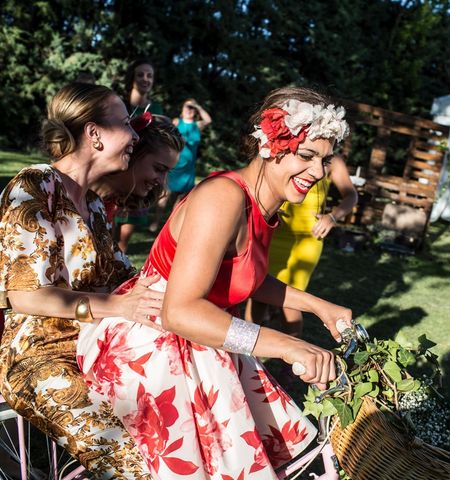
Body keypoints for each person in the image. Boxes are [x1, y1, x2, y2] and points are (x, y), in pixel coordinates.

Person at [77, 87, 353, 479]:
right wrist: (290, 345)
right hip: (153, 338)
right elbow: (180, 310)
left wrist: (319, 306)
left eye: (325, 161)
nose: (319, 173)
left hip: (205, 337)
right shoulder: (223, 197)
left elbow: (246, 276)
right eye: (306, 156)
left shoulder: (264, 203)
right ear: (270, 145)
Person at [0, 82, 163, 479]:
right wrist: (116, 305)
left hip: (96, 348)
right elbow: (24, 294)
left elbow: (125, 274)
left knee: (171, 435)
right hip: (38, 357)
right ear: (94, 134)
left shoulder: (91, 203)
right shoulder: (34, 186)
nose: (135, 136)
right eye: (126, 124)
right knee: (134, 466)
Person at [248, 153, 358, 338]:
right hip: (276, 233)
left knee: (292, 299)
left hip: (309, 238)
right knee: (258, 290)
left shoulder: (334, 160)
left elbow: (351, 195)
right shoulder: (288, 151)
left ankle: (292, 361)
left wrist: (332, 217)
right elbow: (258, 181)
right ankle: (244, 351)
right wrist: (266, 209)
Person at [91, 117, 184, 226]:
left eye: (167, 172)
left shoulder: (110, 203)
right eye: (158, 169)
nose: (162, 181)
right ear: (132, 153)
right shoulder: (76, 197)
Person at [115, 59, 164, 252]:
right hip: (112, 174)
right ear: (131, 78)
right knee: (102, 231)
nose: (145, 79)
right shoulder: (117, 103)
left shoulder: (157, 109)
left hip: (137, 178)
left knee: (122, 241)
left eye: (149, 75)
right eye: (141, 74)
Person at [149, 99, 212, 232]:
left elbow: (208, 120)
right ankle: (155, 222)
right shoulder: (177, 122)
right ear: (182, 110)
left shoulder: (197, 125)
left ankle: (170, 225)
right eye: (187, 107)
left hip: (188, 169)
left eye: (192, 108)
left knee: (180, 199)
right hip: (174, 166)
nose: (189, 110)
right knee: (164, 196)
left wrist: (197, 105)